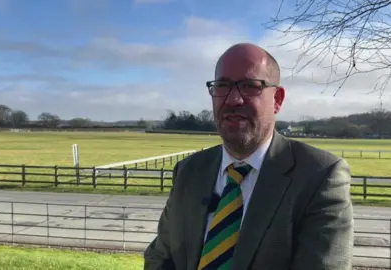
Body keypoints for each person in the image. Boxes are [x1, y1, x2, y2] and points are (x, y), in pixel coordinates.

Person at [143, 43, 354, 270]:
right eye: (222, 85)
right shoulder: (189, 171)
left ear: (278, 100)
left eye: (250, 86)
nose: (233, 99)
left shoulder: (320, 175)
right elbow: (160, 259)